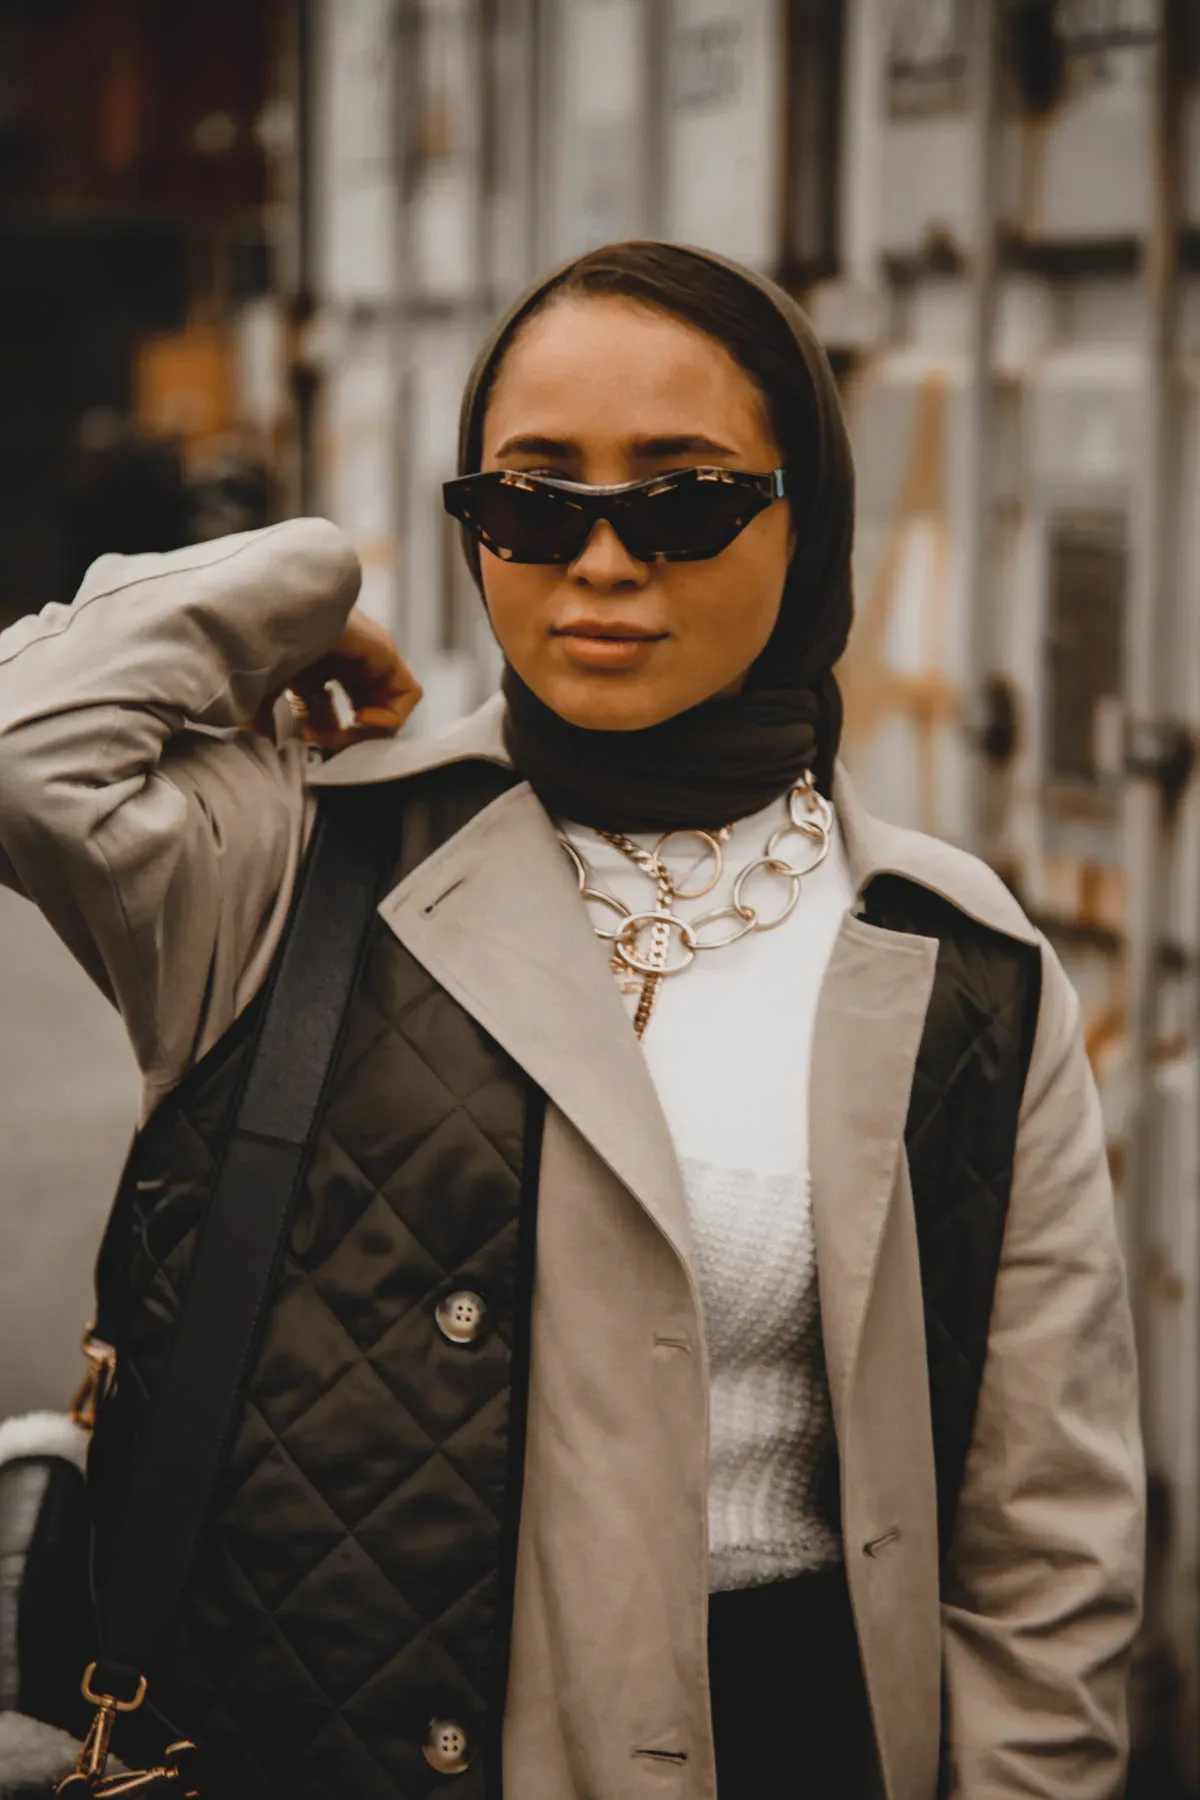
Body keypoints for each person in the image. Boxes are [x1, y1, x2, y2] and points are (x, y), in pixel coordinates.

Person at [0, 243, 1143, 1800]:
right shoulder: (299, 862)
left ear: (811, 520)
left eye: (684, 502)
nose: (602, 562)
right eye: (528, 503)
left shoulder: (955, 961)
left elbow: (1043, 1548)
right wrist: (302, 582)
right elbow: (29, 749)